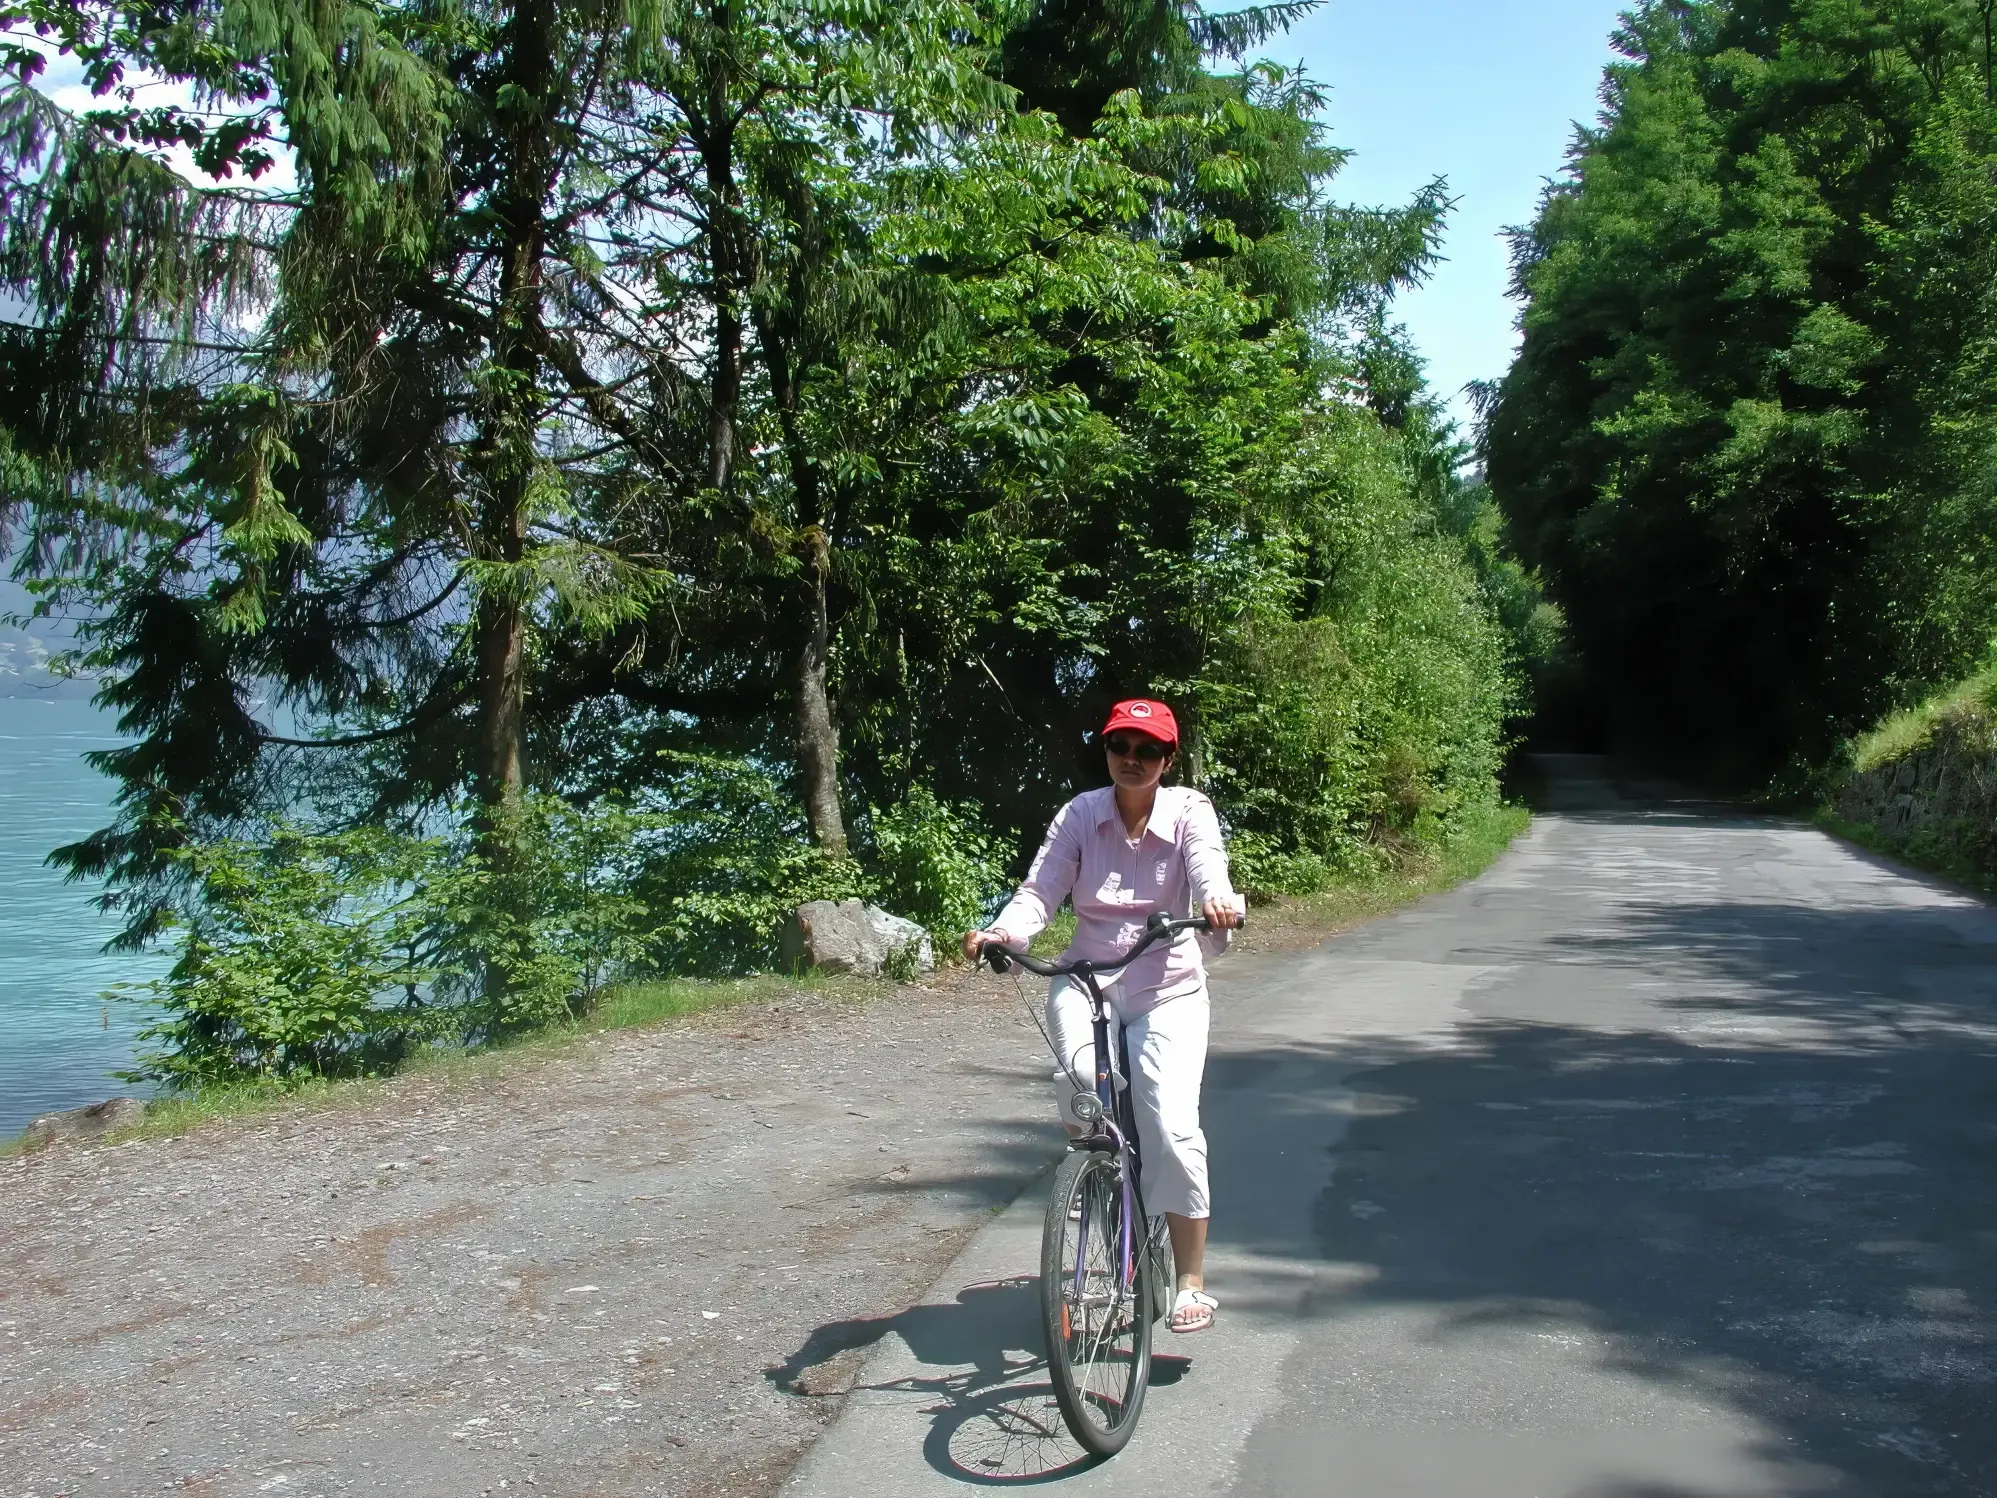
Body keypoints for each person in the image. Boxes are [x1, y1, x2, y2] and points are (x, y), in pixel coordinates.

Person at [962, 698, 1244, 1334]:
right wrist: (1004, 932)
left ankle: (1190, 1282)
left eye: (1148, 750)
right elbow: (1040, 890)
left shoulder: (1189, 811)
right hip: (1087, 978)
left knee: (1170, 1125)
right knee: (1087, 1090)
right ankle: (1100, 1180)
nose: (1132, 759)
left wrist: (1217, 903)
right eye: (1121, 746)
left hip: (1167, 987)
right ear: (1107, 750)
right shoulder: (1080, 814)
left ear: (1168, 759)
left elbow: (1208, 870)